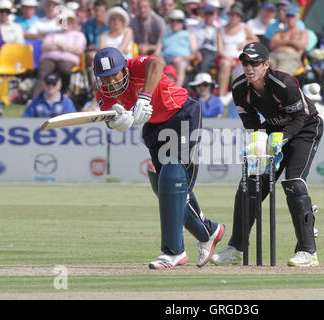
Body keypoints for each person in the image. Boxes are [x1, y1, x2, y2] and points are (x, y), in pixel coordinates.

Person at [92, 47, 225, 269]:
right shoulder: (104, 93)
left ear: (124, 68)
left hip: (181, 113)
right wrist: (116, 121)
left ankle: (174, 252)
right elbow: (108, 116)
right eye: (104, 78)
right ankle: (209, 231)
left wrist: (144, 97)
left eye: (114, 75)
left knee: (173, 177)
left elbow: (158, 62)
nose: (111, 83)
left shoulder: (135, 66)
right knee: (166, 187)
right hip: (154, 127)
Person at [211, 42, 323, 267]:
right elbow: (251, 121)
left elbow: (300, 117)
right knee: (250, 183)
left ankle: (307, 252)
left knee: (294, 181)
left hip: (305, 129)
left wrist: (283, 138)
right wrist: (258, 141)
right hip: (273, 130)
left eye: (254, 63)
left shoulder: (284, 83)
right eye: (245, 63)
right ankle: (236, 248)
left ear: (266, 64)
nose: (249, 67)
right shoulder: (240, 87)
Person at [32, 8, 86, 97]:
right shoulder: (53, 34)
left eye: (67, 21)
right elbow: (44, 46)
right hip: (49, 58)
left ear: (72, 23)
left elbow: (79, 49)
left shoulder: (78, 35)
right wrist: (59, 46)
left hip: (68, 60)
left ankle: (64, 93)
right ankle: (36, 98)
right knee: (43, 72)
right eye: (63, 21)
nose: (65, 24)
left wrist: (64, 47)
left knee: (65, 69)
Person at [216, 2, 258, 100]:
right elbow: (220, 49)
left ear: (240, 17)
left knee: (247, 64)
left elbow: (256, 40)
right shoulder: (220, 29)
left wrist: (246, 42)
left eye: (237, 15)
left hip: (241, 58)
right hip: (226, 57)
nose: (234, 17)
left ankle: (245, 96)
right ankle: (222, 96)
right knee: (225, 64)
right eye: (232, 14)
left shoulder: (244, 27)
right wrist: (229, 59)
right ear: (229, 15)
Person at [155, 9, 197, 87]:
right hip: (165, 59)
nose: (175, 23)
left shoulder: (189, 34)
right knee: (155, 63)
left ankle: (176, 90)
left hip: (182, 59)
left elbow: (194, 55)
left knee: (180, 64)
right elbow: (157, 53)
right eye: (172, 20)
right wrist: (159, 59)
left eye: (178, 20)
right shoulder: (164, 36)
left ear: (183, 22)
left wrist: (182, 57)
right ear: (169, 22)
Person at [269, 5, 308, 75]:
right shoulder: (279, 32)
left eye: (292, 16)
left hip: (290, 58)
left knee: (279, 76)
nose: (290, 18)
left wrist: (282, 42)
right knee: (260, 70)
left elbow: (301, 45)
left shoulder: (303, 32)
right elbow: (272, 44)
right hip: (273, 56)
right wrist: (292, 42)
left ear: (297, 17)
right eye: (288, 16)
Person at [191, 4, 219, 75]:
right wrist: (196, 52)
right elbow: (193, 44)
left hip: (215, 52)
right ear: (203, 15)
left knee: (206, 59)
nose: (208, 16)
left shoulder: (220, 28)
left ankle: (201, 78)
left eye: (211, 14)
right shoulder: (196, 29)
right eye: (206, 14)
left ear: (215, 15)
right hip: (201, 52)